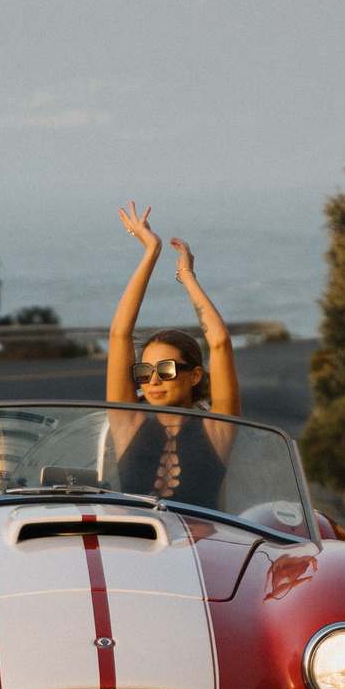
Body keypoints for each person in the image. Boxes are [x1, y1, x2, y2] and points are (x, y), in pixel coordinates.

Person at [105, 203, 241, 509]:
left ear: (195, 375)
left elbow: (219, 342)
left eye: (166, 369)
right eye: (145, 371)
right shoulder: (128, 422)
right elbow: (119, 335)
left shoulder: (217, 428)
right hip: (137, 541)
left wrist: (187, 276)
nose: (153, 380)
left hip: (197, 546)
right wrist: (150, 251)